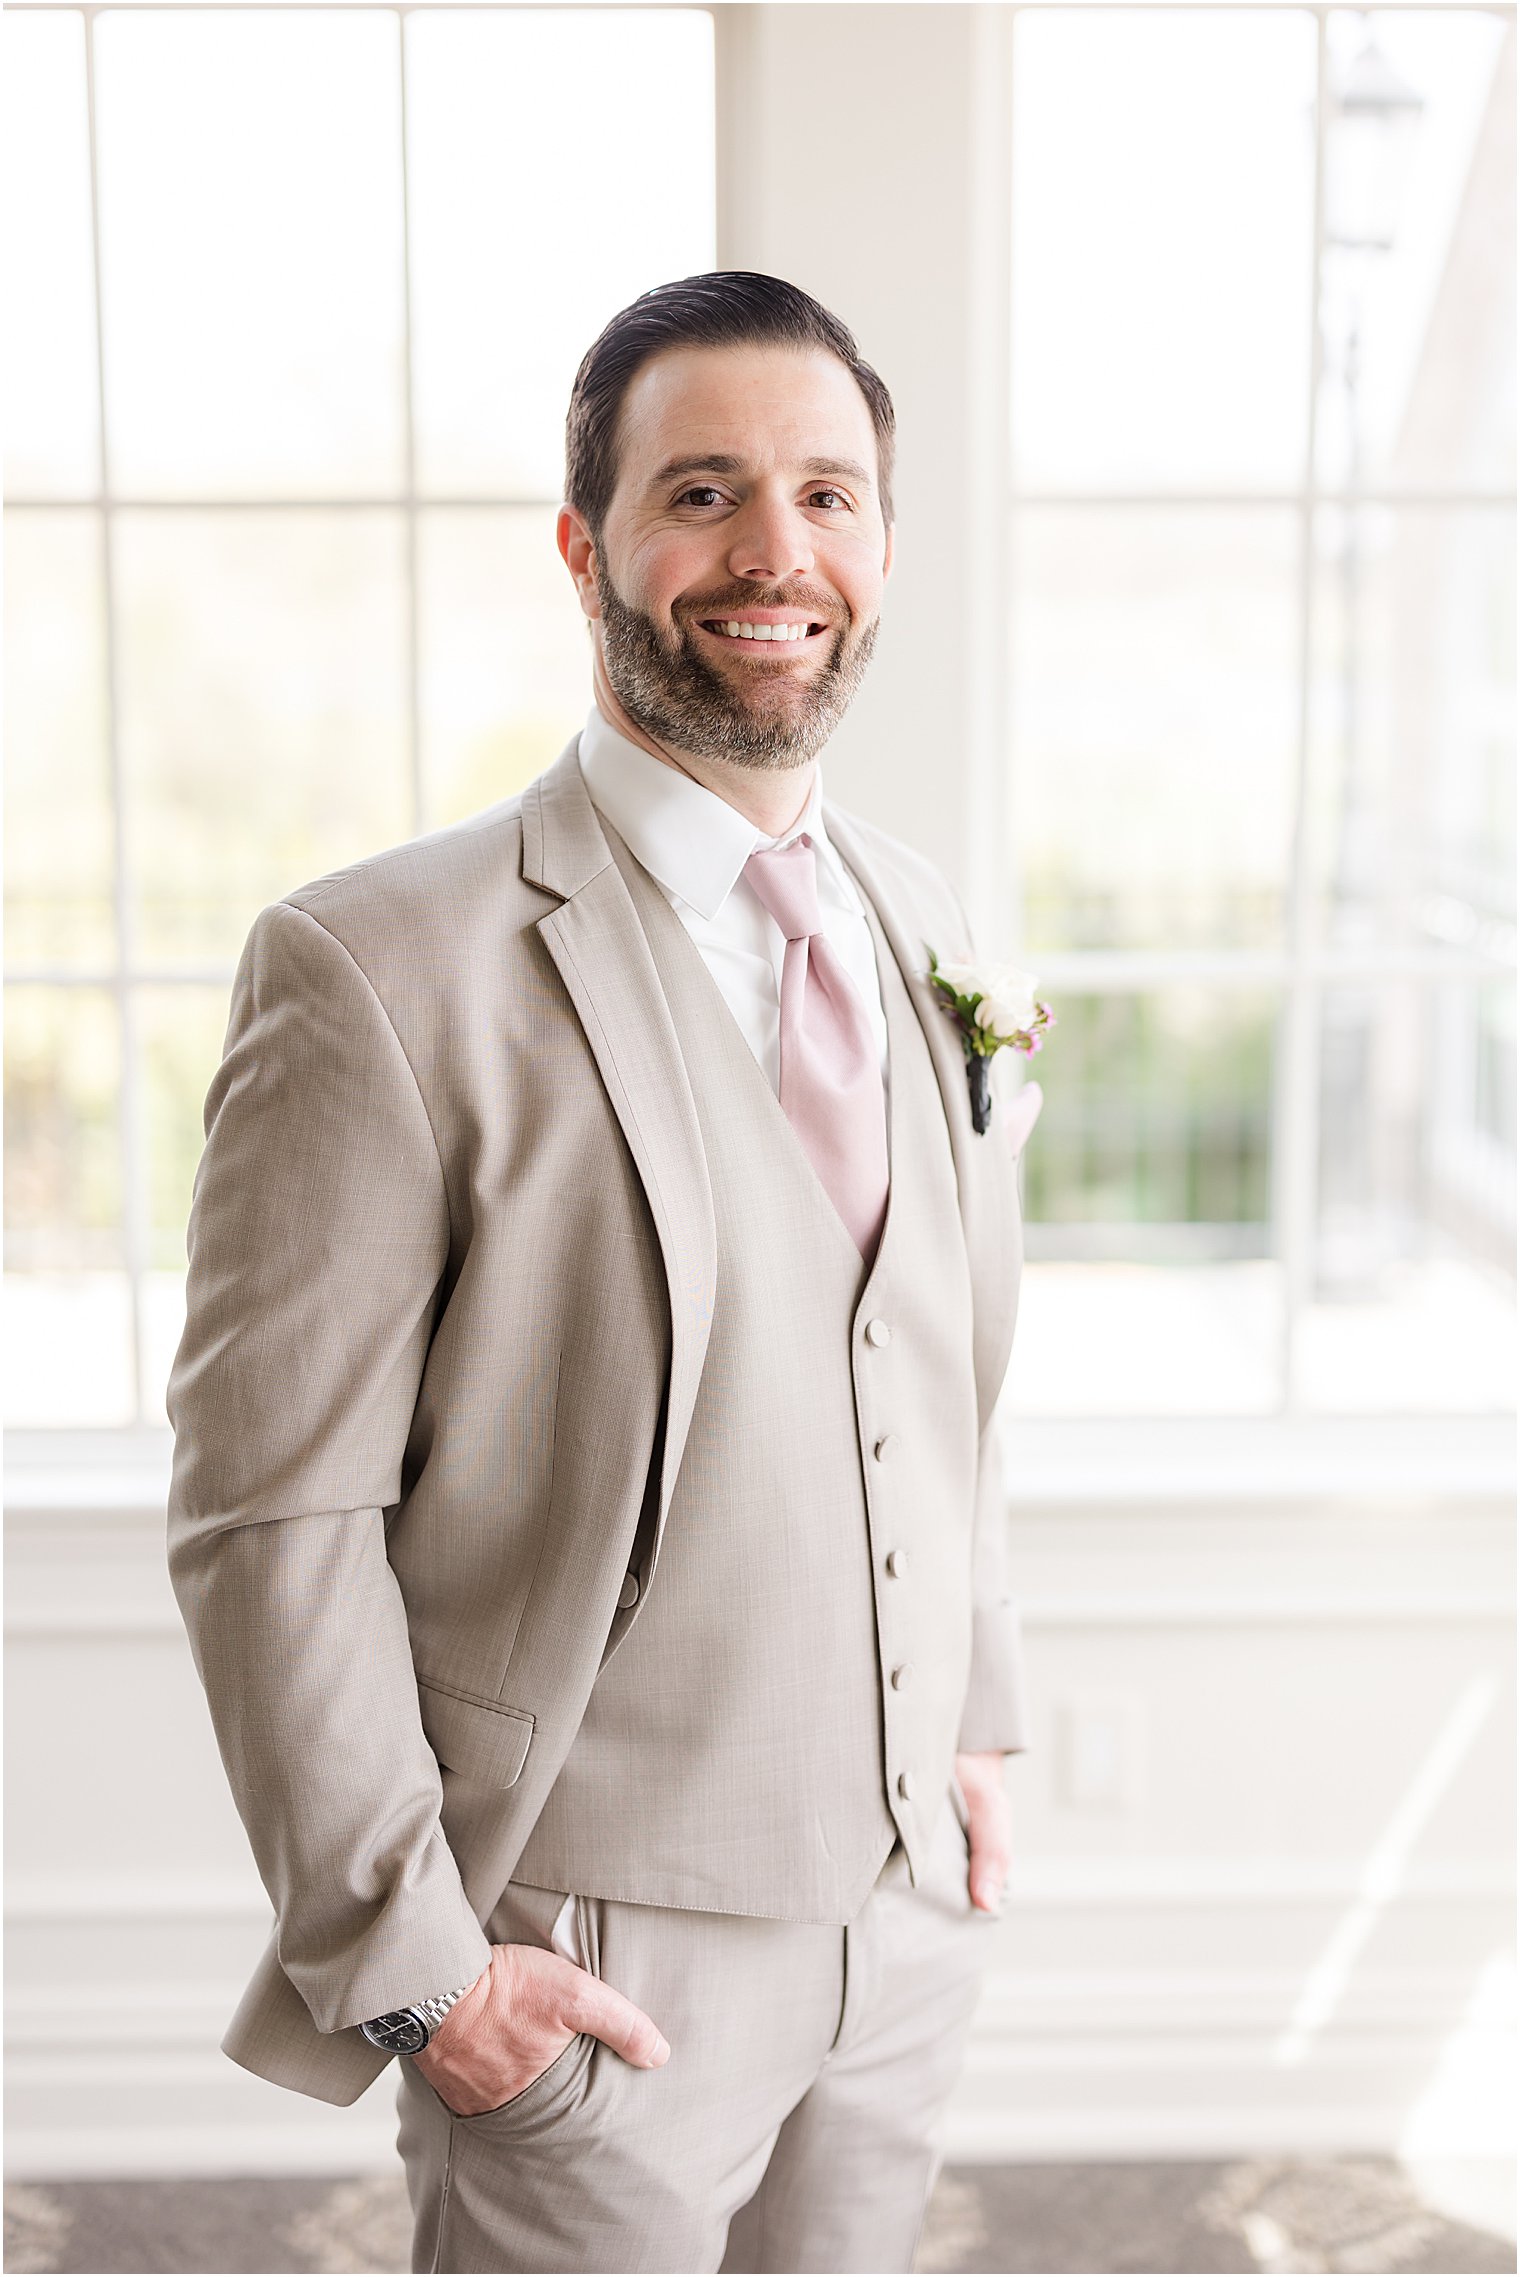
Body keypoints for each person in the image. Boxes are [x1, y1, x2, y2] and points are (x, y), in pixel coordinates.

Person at [166, 270, 1040, 2277]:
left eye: (827, 496)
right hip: (585, 1952)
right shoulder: (381, 969)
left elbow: (937, 1373)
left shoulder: (918, 921)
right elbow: (271, 1516)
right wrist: (420, 1970)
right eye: (704, 492)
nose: (776, 554)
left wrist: (970, 1707)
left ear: (883, 544)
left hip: (899, 1937)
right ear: (587, 545)